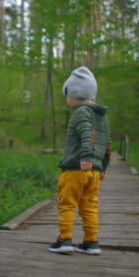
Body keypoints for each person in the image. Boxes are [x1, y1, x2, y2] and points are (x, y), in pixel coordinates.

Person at [48, 66, 111, 255]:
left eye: (67, 94)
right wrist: (103, 167)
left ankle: (65, 239)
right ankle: (91, 242)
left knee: (67, 204)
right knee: (90, 206)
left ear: (75, 94)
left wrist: (85, 157)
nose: (67, 99)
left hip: (76, 168)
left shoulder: (81, 112)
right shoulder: (101, 117)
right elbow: (107, 143)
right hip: (94, 171)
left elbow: (86, 134)